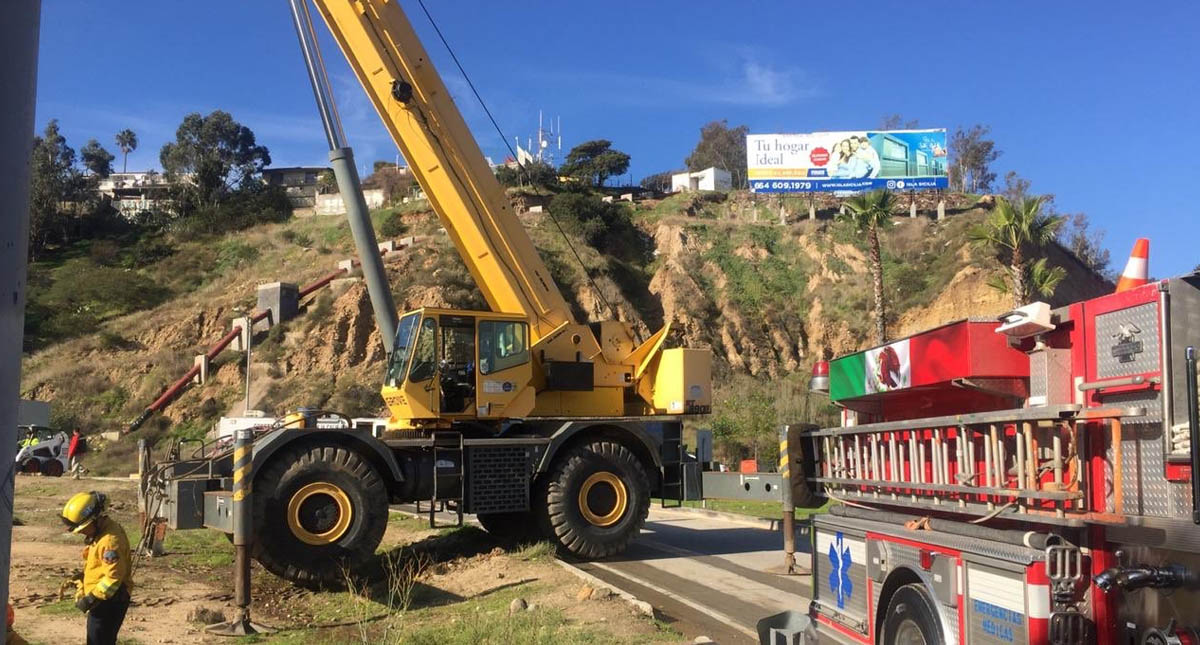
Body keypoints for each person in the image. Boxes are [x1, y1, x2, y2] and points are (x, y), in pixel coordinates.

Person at [60, 491, 133, 645]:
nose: (81, 533)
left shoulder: (110, 542)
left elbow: (113, 577)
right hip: (103, 600)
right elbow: (101, 566)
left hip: (109, 603)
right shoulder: (101, 533)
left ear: (95, 519)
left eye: (82, 528)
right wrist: (83, 577)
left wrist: (91, 599)